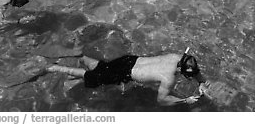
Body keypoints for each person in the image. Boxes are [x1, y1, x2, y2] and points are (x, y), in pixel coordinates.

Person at [46, 47, 211, 106]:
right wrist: (185, 100)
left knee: (103, 67)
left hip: (129, 60)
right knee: (90, 76)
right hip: (123, 73)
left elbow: (193, 70)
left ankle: (79, 55)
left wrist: (201, 82)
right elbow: (161, 101)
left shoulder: (176, 57)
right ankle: (56, 68)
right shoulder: (168, 79)